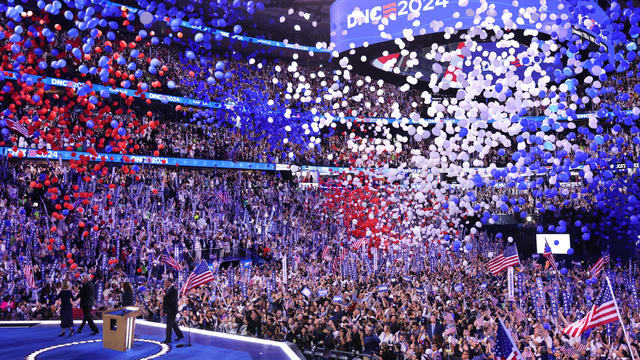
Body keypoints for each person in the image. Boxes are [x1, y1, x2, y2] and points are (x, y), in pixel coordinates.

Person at [162, 278, 183, 344]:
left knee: (169, 324)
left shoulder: (173, 289)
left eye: (165, 282)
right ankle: (180, 334)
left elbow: (171, 300)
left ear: (169, 282)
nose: (164, 284)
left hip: (172, 309)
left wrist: (164, 297)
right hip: (170, 309)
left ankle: (168, 339)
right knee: (172, 323)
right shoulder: (170, 289)